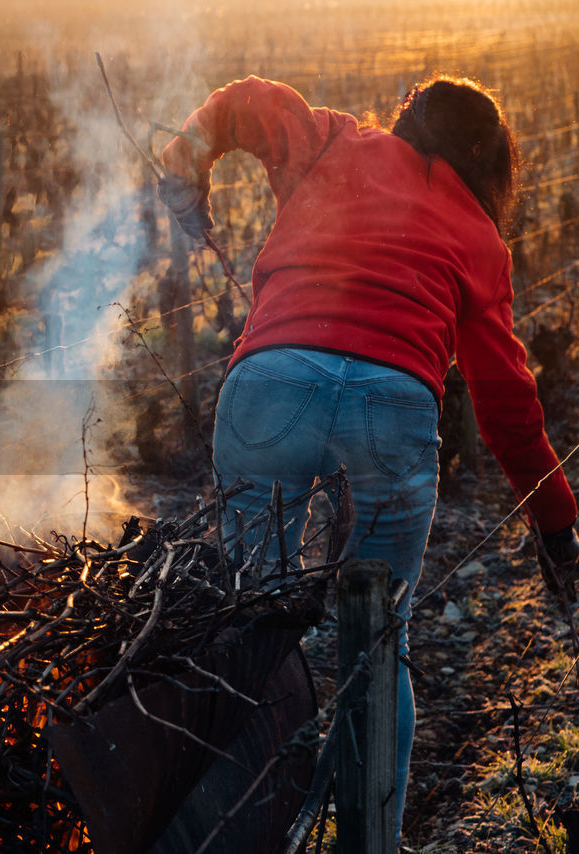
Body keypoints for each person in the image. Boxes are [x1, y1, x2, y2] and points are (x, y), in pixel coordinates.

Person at [157, 75, 579, 841]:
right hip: (393, 409)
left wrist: (182, 168)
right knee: (381, 640)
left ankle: (241, 834)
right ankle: (365, 840)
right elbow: (508, 405)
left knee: (250, 630)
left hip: (269, 388)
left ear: (406, 121)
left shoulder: (331, 142)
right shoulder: (480, 237)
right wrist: (555, 524)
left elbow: (244, 99)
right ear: (487, 158)